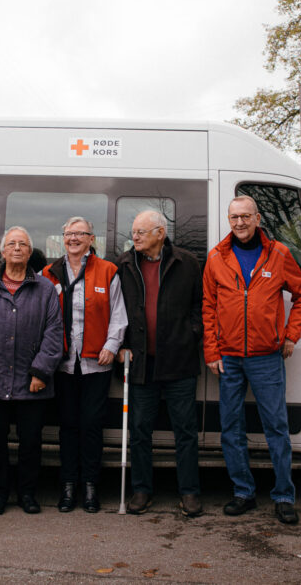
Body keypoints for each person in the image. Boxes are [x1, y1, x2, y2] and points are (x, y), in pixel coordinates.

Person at [203, 195, 301, 524]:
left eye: (245, 217)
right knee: (231, 428)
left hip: (267, 357)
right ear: (229, 219)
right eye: (234, 217)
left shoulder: (278, 254)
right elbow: (208, 307)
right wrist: (211, 351)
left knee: (276, 428)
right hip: (230, 358)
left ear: (258, 218)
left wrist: (292, 334)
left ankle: (283, 495)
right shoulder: (216, 258)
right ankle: (243, 492)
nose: (239, 223)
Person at [0, 226, 63, 515]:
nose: (17, 248)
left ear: (30, 253)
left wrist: (42, 371)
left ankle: (28, 494)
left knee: (31, 442)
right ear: (3, 251)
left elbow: (54, 332)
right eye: (11, 244)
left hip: (31, 380)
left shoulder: (45, 288)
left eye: (23, 244)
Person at [115, 210, 204, 517]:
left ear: (160, 234)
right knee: (140, 429)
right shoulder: (124, 265)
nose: (134, 237)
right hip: (141, 361)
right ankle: (141, 490)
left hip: (179, 360)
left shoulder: (187, 263)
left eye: (141, 232)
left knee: (186, 430)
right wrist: (122, 345)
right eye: (134, 232)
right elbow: (117, 310)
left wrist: (192, 334)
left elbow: (199, 305)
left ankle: (189, 491)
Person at [41, 217, 128, 513]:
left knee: (91, 426)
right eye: (69, 234)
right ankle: (67, 486)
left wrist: (111, 346)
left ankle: (90, 485)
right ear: (62, 238)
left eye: (80, 234)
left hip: (96, 363)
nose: (74, 238)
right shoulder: (49, 273)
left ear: (92, 239)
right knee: (68, 426)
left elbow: (118, 314)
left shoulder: (108, 271)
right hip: (62, 364)